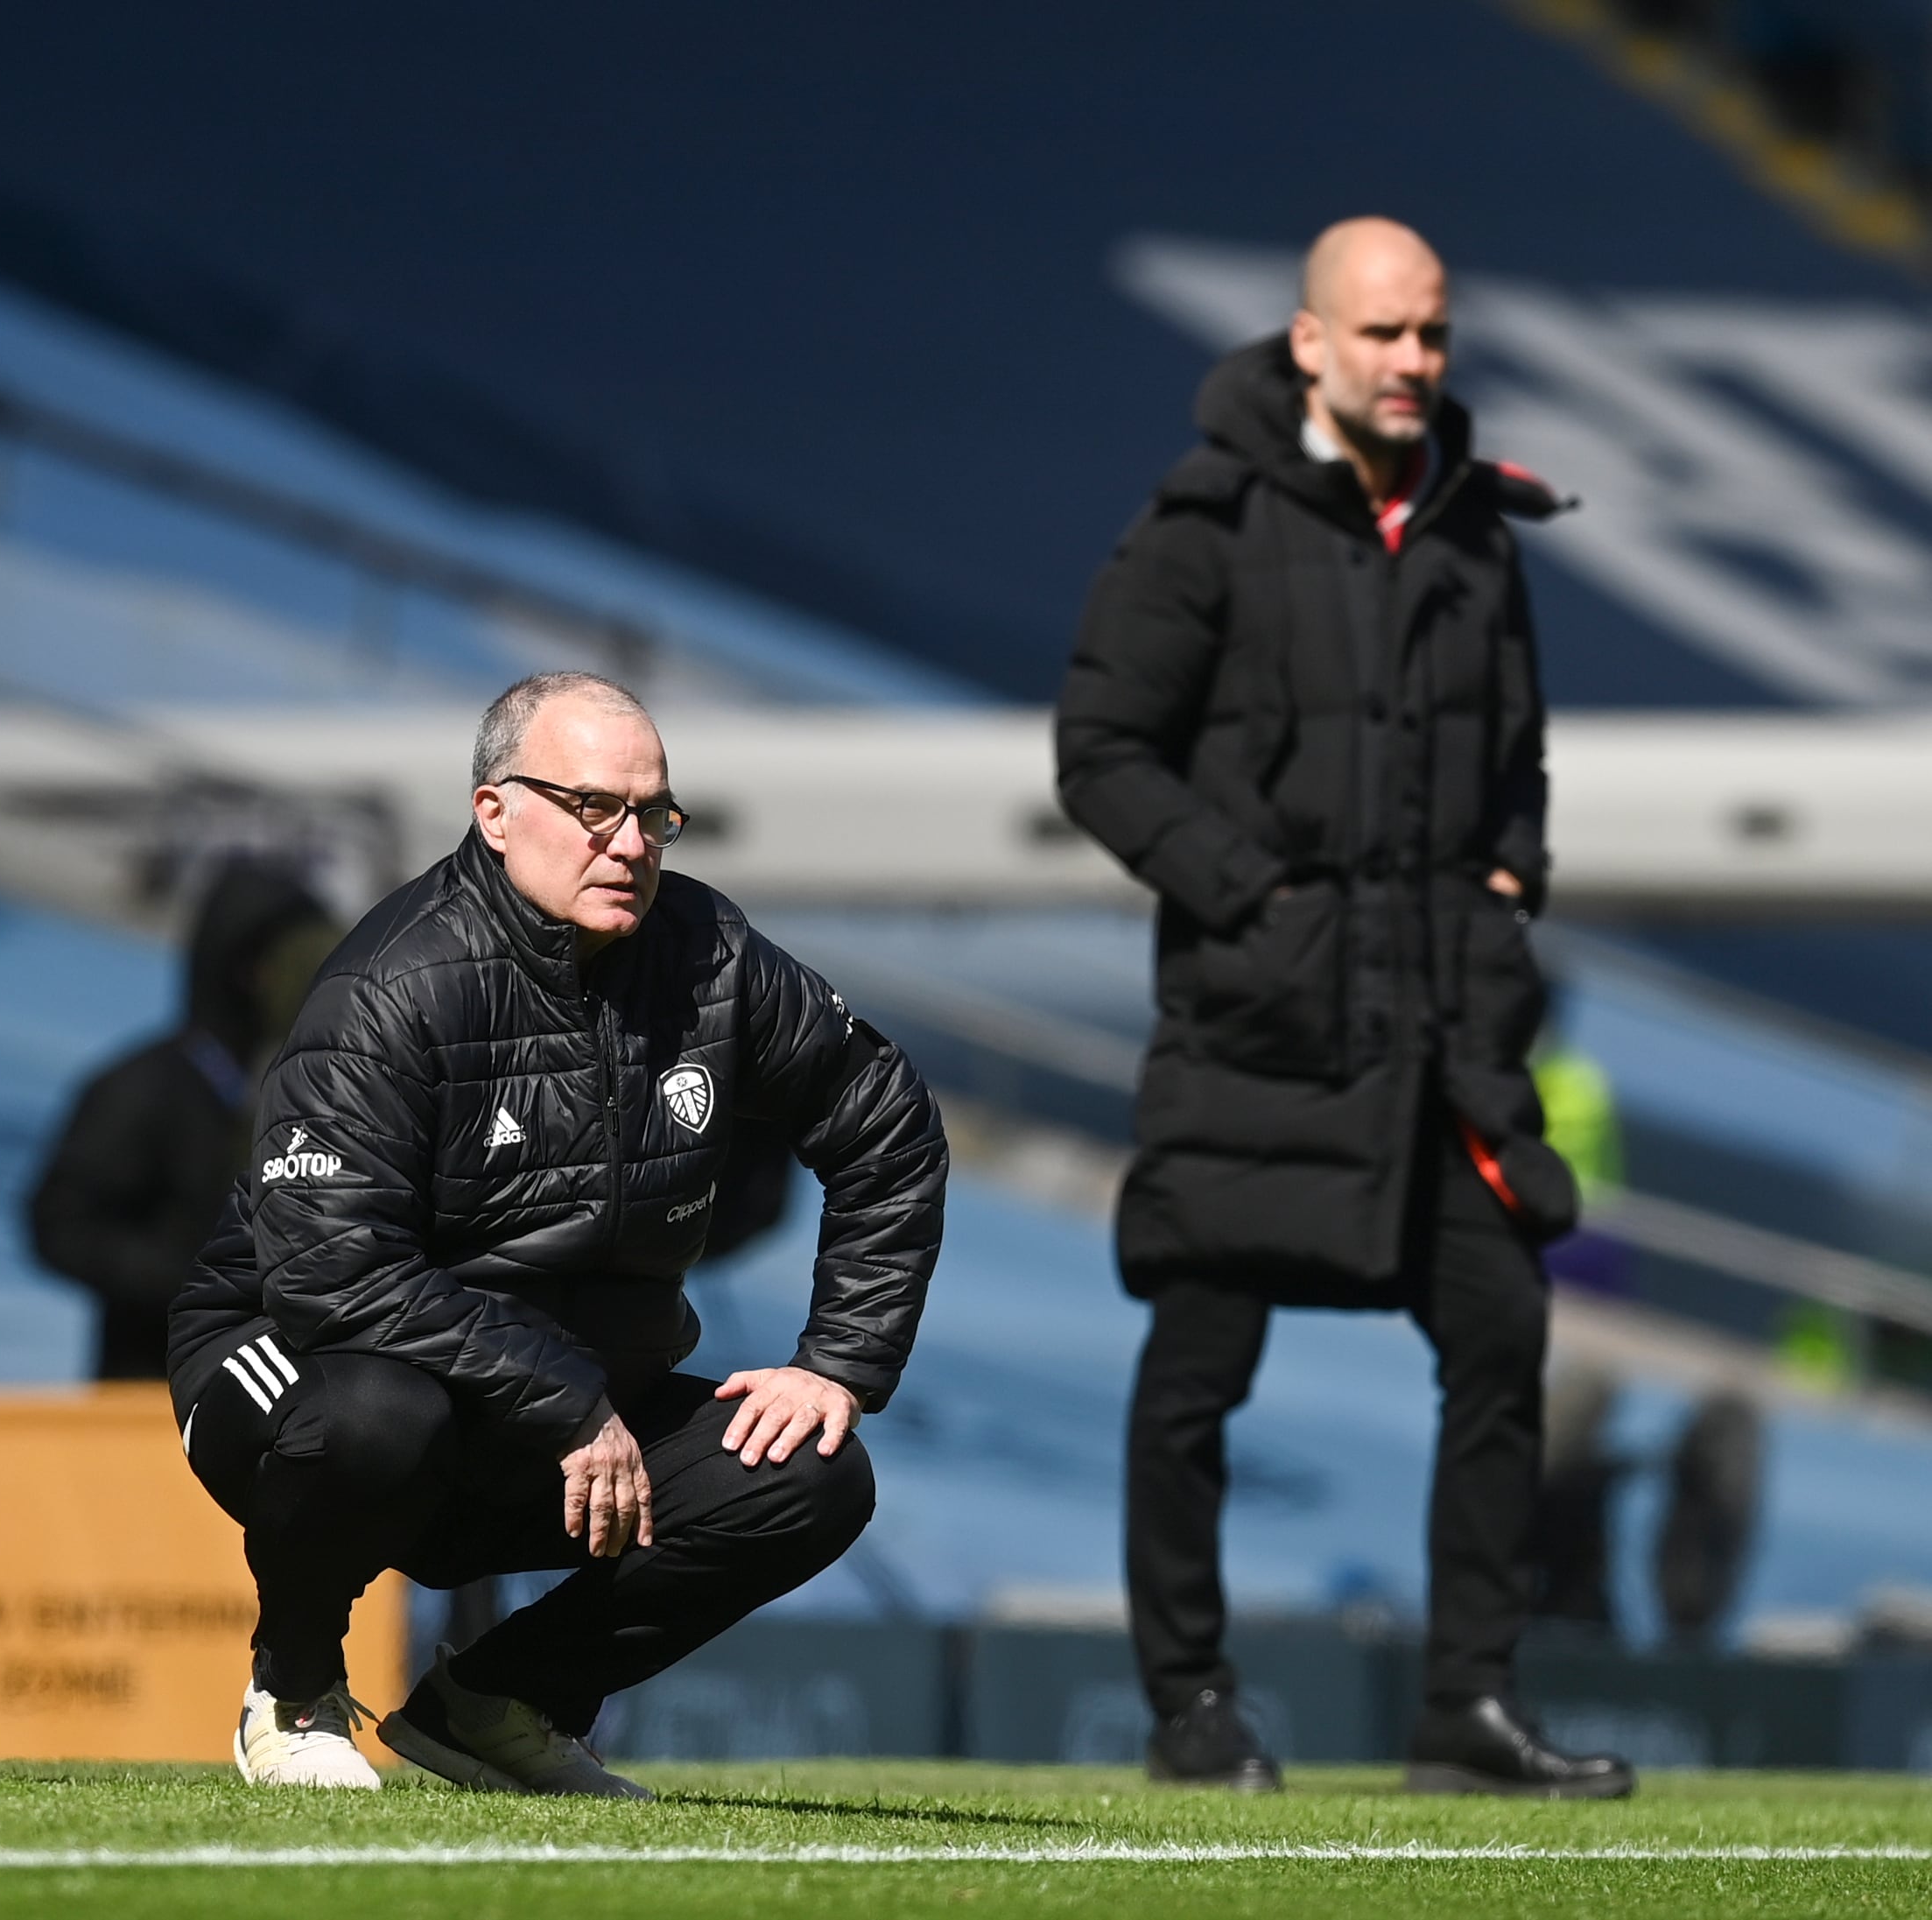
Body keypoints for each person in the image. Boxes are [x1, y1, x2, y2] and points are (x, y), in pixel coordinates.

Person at [1055, 217, 1631, 1798]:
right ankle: (1190, 1707)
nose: (1413, 364)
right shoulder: (1202, 522)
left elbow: (1516, 759)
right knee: (1194, 1374)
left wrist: (1509, 878)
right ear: (1308, 342)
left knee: (1502, 1333)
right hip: (1264, 1025)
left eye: (1432, 336)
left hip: (1443, 1035)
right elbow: (1101, 748)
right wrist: (1253, 896)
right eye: (1383, 335)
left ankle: (1468, 1705)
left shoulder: (1473, 531)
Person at [169, 672, 948, 1793]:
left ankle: (499, 1704)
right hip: (300, 1356)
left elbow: (886, 1123)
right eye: (592, 807)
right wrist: (566, 1397)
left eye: (652, 812)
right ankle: (292, 1690)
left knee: (807, 1478)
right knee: (377, 1417)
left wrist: (838, 1363)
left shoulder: (711, 956)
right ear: (493, 813)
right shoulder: (391, 984)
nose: (628, 841)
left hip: (559, 1410)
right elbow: (329, 1269)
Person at [29, 862, 341, 1378]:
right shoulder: (144, 1087)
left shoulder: (302, 1090)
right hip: (144, 1387)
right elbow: (58, 1226)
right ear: (247, 969)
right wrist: (194, 1280)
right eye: (295, 963)